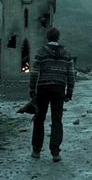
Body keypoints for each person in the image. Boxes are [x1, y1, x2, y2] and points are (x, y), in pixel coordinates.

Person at [29, 27, 75, 162]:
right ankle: (55, 152)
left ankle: (36, 150)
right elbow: (71, 74)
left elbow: (34, 72)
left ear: (47, 38)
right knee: (57, 120)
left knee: (39, 119)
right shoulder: (66, 54)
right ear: (58, 37)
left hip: (43, 89)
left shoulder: (41, 52)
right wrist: (69, 92)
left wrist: (32, 89)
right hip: (59, 89)